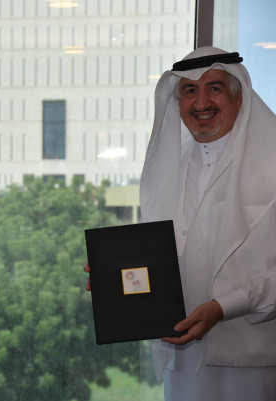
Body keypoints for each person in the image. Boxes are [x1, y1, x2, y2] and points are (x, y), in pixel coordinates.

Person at [86, 46, 276, 400]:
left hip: (252, 362)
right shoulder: (169, 169)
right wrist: (114, 276)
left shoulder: (273, 166)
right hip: (182, 357)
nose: (201, 102)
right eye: (190, 90)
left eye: (214, 88)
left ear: (239, 99)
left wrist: (225, 307)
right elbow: (158, 257)